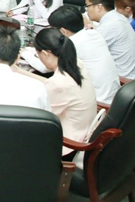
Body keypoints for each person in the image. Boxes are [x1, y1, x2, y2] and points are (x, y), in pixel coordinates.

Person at [19, 28, 97, 158]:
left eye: (37, 55)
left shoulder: (58, 83)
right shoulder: (77, 63)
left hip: (69, 146)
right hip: (85, 131)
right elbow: (52, 83)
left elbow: (39, 118)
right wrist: (19, 71)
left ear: (46, 54)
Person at [48, 6, 121, 105]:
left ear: (63, 31)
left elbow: (47, 66)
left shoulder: (73, 43)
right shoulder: (94, 33)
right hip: (113, 98)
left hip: (99, 102)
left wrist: (27, 53)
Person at [86, 0, 135, 79]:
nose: (86, 10)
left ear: (99, 7)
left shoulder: (109, 26)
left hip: (122, 80)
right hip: (132, 76)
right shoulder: (118, 17)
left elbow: (85, 52)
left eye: (87, 6)